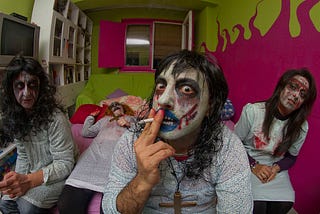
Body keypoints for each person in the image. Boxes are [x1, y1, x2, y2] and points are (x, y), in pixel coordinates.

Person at [102, 50, 253, 213]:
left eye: (187, 89)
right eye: (161, 87)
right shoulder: (132, 141)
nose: (163, 100)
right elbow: (109, 210)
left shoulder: (227, 147)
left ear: (210, 105)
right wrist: (143, 180)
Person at [0, 55, 77, 213]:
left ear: (40, 87)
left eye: (32, 85)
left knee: (26, 207)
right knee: (5, 202)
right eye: (20, 86)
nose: (26, 93)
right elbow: (23, 155)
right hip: (33, 172)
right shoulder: (16, 117)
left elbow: (65, 164)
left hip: (59, 173)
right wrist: (17, 178)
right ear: (11, 89)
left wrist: (28, 181)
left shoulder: (56, 118)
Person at [234, 68, 317, 214]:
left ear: (303, 103)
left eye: (302, 94)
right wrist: (254, 166)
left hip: (274, 166)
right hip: (246, 160)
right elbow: (234, 145)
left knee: (283, 204)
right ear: (281, 87)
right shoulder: (253, 111)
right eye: (292, 87)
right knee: (257, 206)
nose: (296, 95)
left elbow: (291, 157)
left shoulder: (301, 127)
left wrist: (276, 168)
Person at [58, 101, 136, 214]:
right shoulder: (104, 120)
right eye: (112, 106)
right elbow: (85, 132)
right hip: (92, 157)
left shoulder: (132, 118)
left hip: (117, 158)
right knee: (65, 205)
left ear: (124, 108)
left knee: (112, 210)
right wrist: (91, 117)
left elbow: (144, 134)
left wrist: (129, 125)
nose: (115, 106)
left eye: (118, 105)